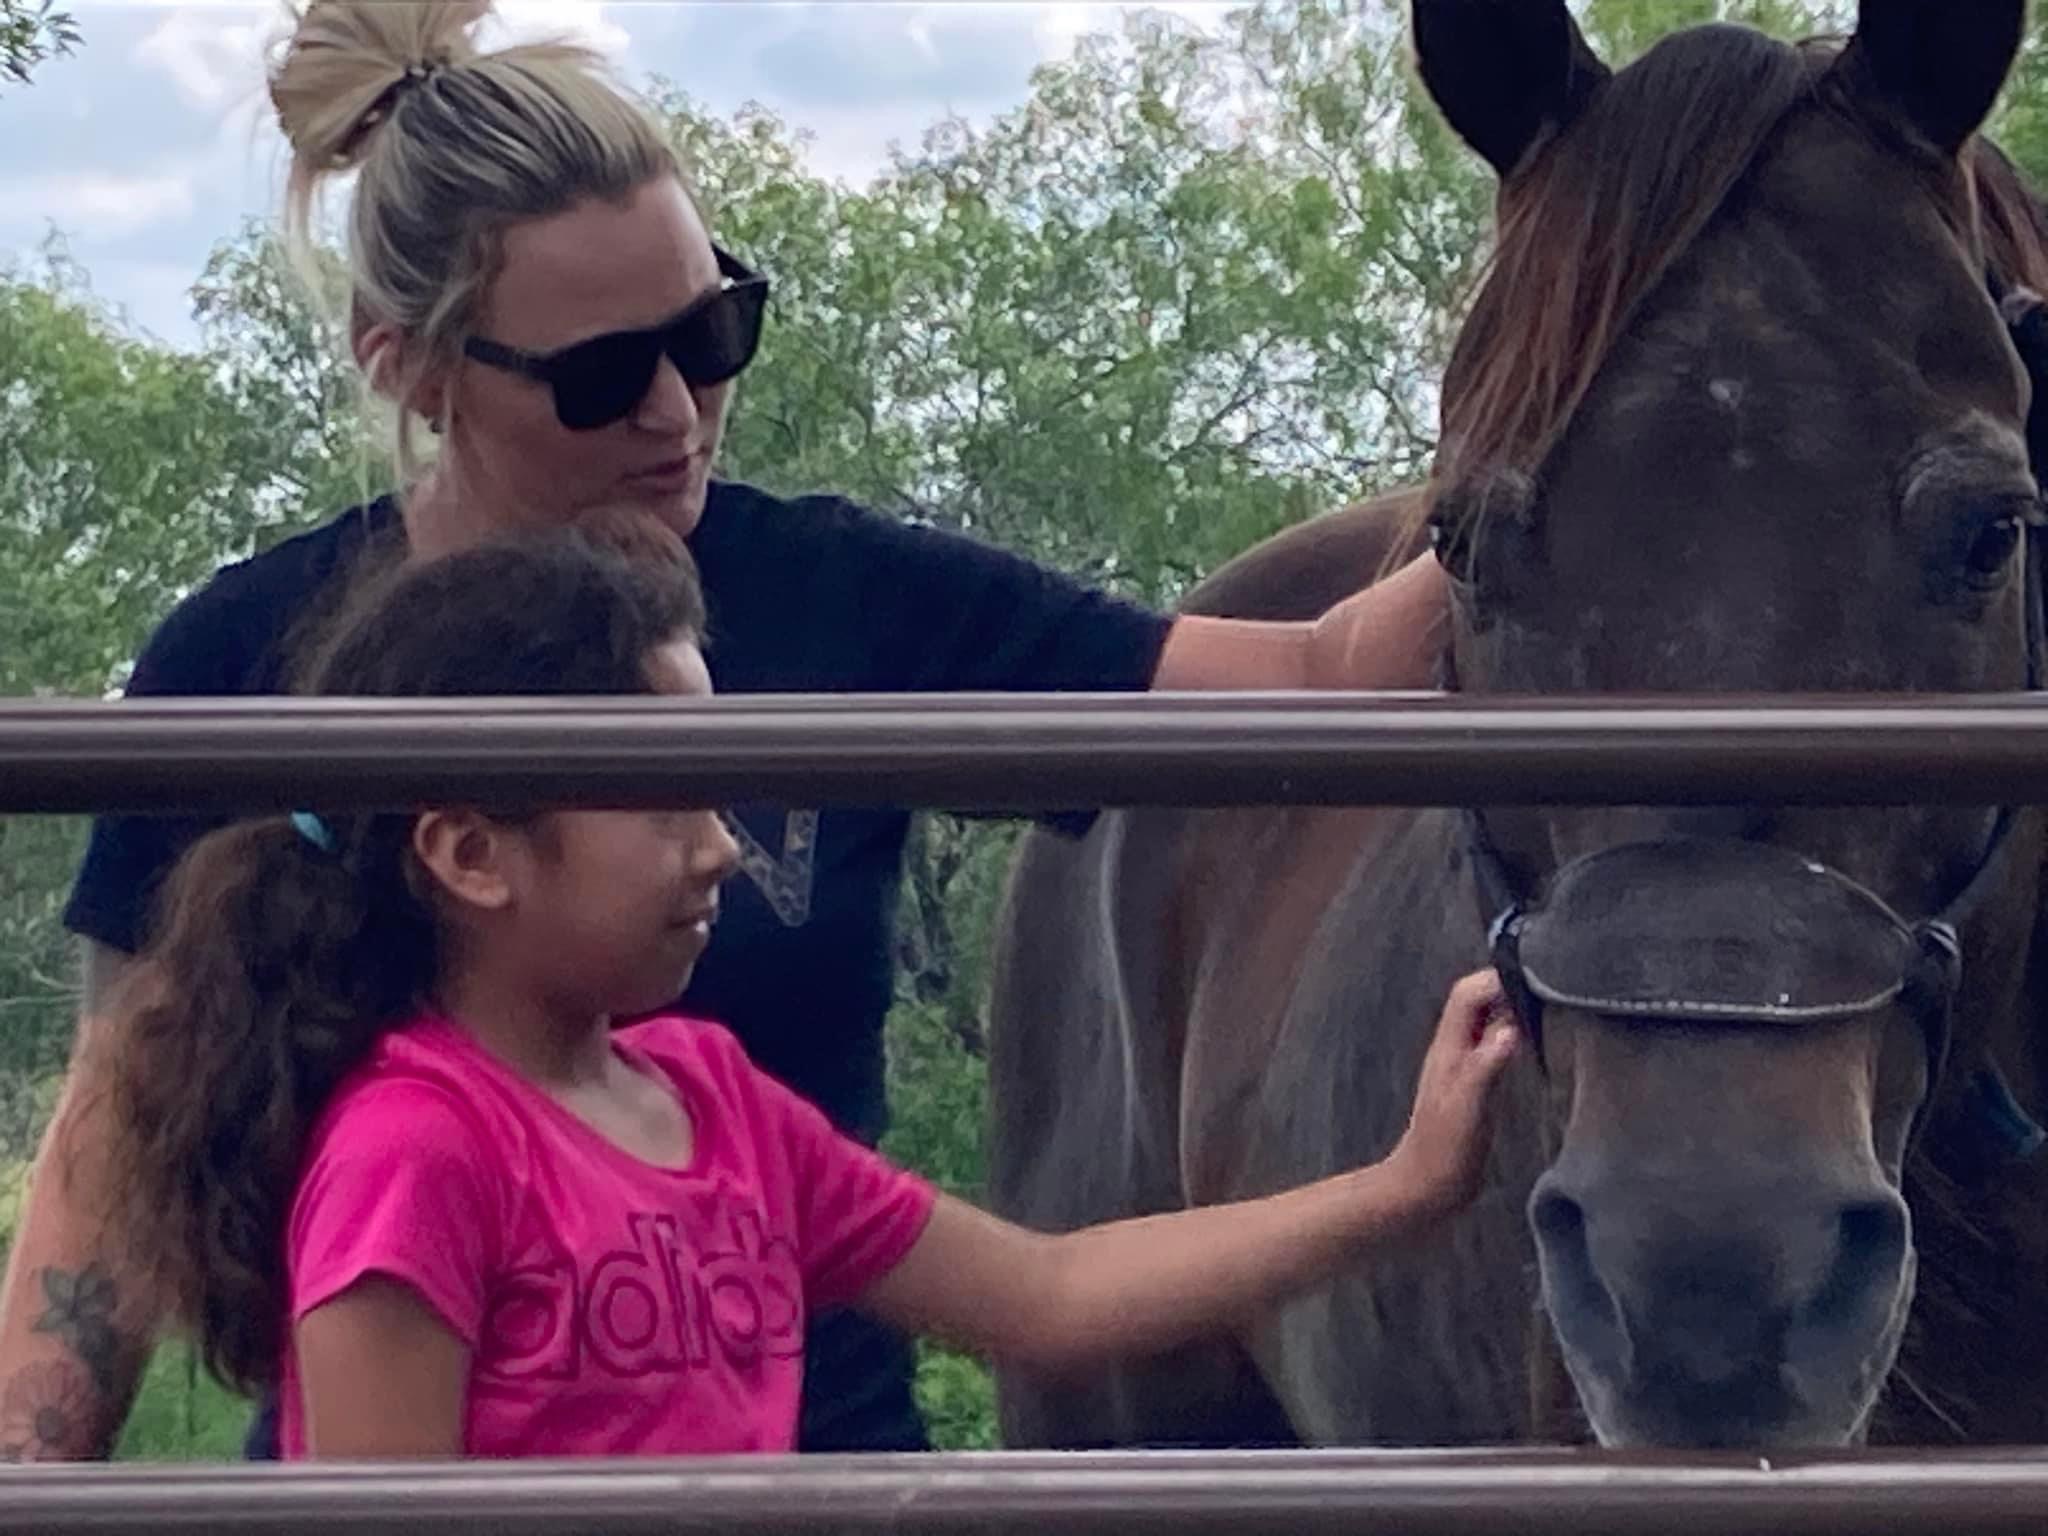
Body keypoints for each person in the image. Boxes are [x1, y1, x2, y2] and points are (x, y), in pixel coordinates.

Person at [0, 0, 1452, 1459]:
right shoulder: (253, 661)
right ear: (408, 365)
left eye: (712, 332)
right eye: (597, 375)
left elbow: (1322, 673)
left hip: (820, 1470)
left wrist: (1593, 405)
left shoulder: (834, 611)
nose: (677, 410)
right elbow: (124, 1128)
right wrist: (36, 1469)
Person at [92, 527, 1515, 1460]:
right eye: (663, 803)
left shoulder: (708, 1098)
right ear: (469, 853)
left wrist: (1398, 1185)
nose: (721, 843)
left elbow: (1048, 1289)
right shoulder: (417, 1159)